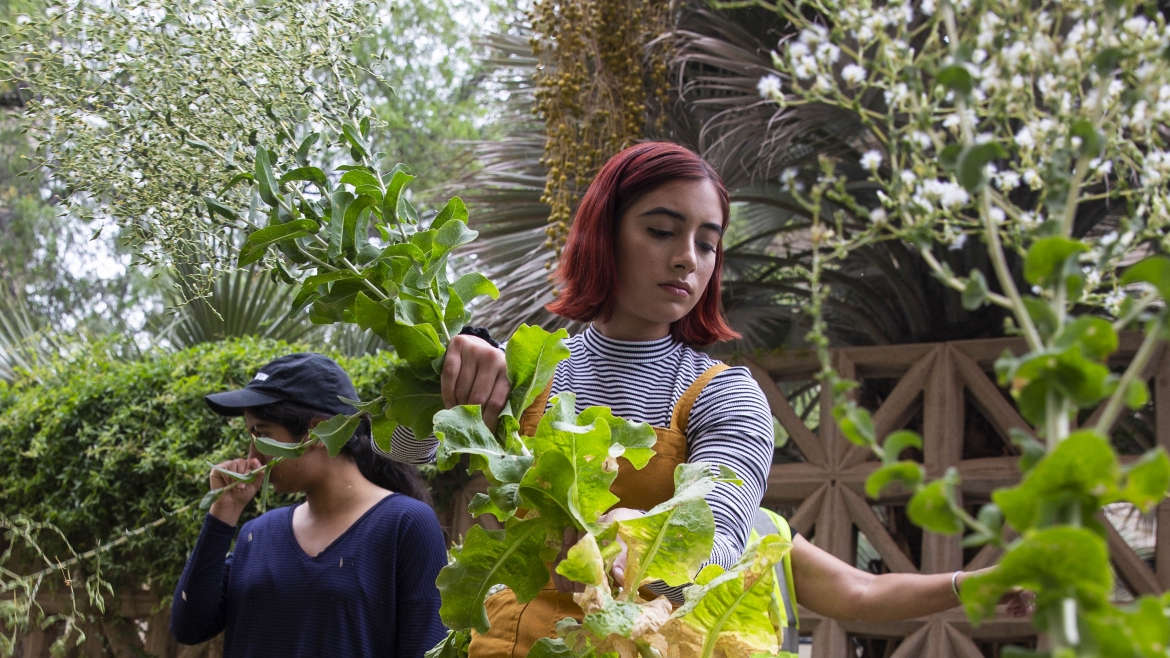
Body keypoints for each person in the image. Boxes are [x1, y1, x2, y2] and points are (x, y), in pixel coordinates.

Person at [392, 142, 1032, 657]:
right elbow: (399, 455)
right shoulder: (531, 367)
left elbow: (716, 533)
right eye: (663, 231)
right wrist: (459, 371)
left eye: (706, 242)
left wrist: (615, 554)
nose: (686, 260)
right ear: (603, 235)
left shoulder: (723, 394)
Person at [170, 353, 448, 658]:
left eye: (262, 435)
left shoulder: (404, 525)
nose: (253, 453)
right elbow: (189, 626)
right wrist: (221, 513)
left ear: (316, 432)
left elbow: (426, 647)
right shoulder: (257, 535)